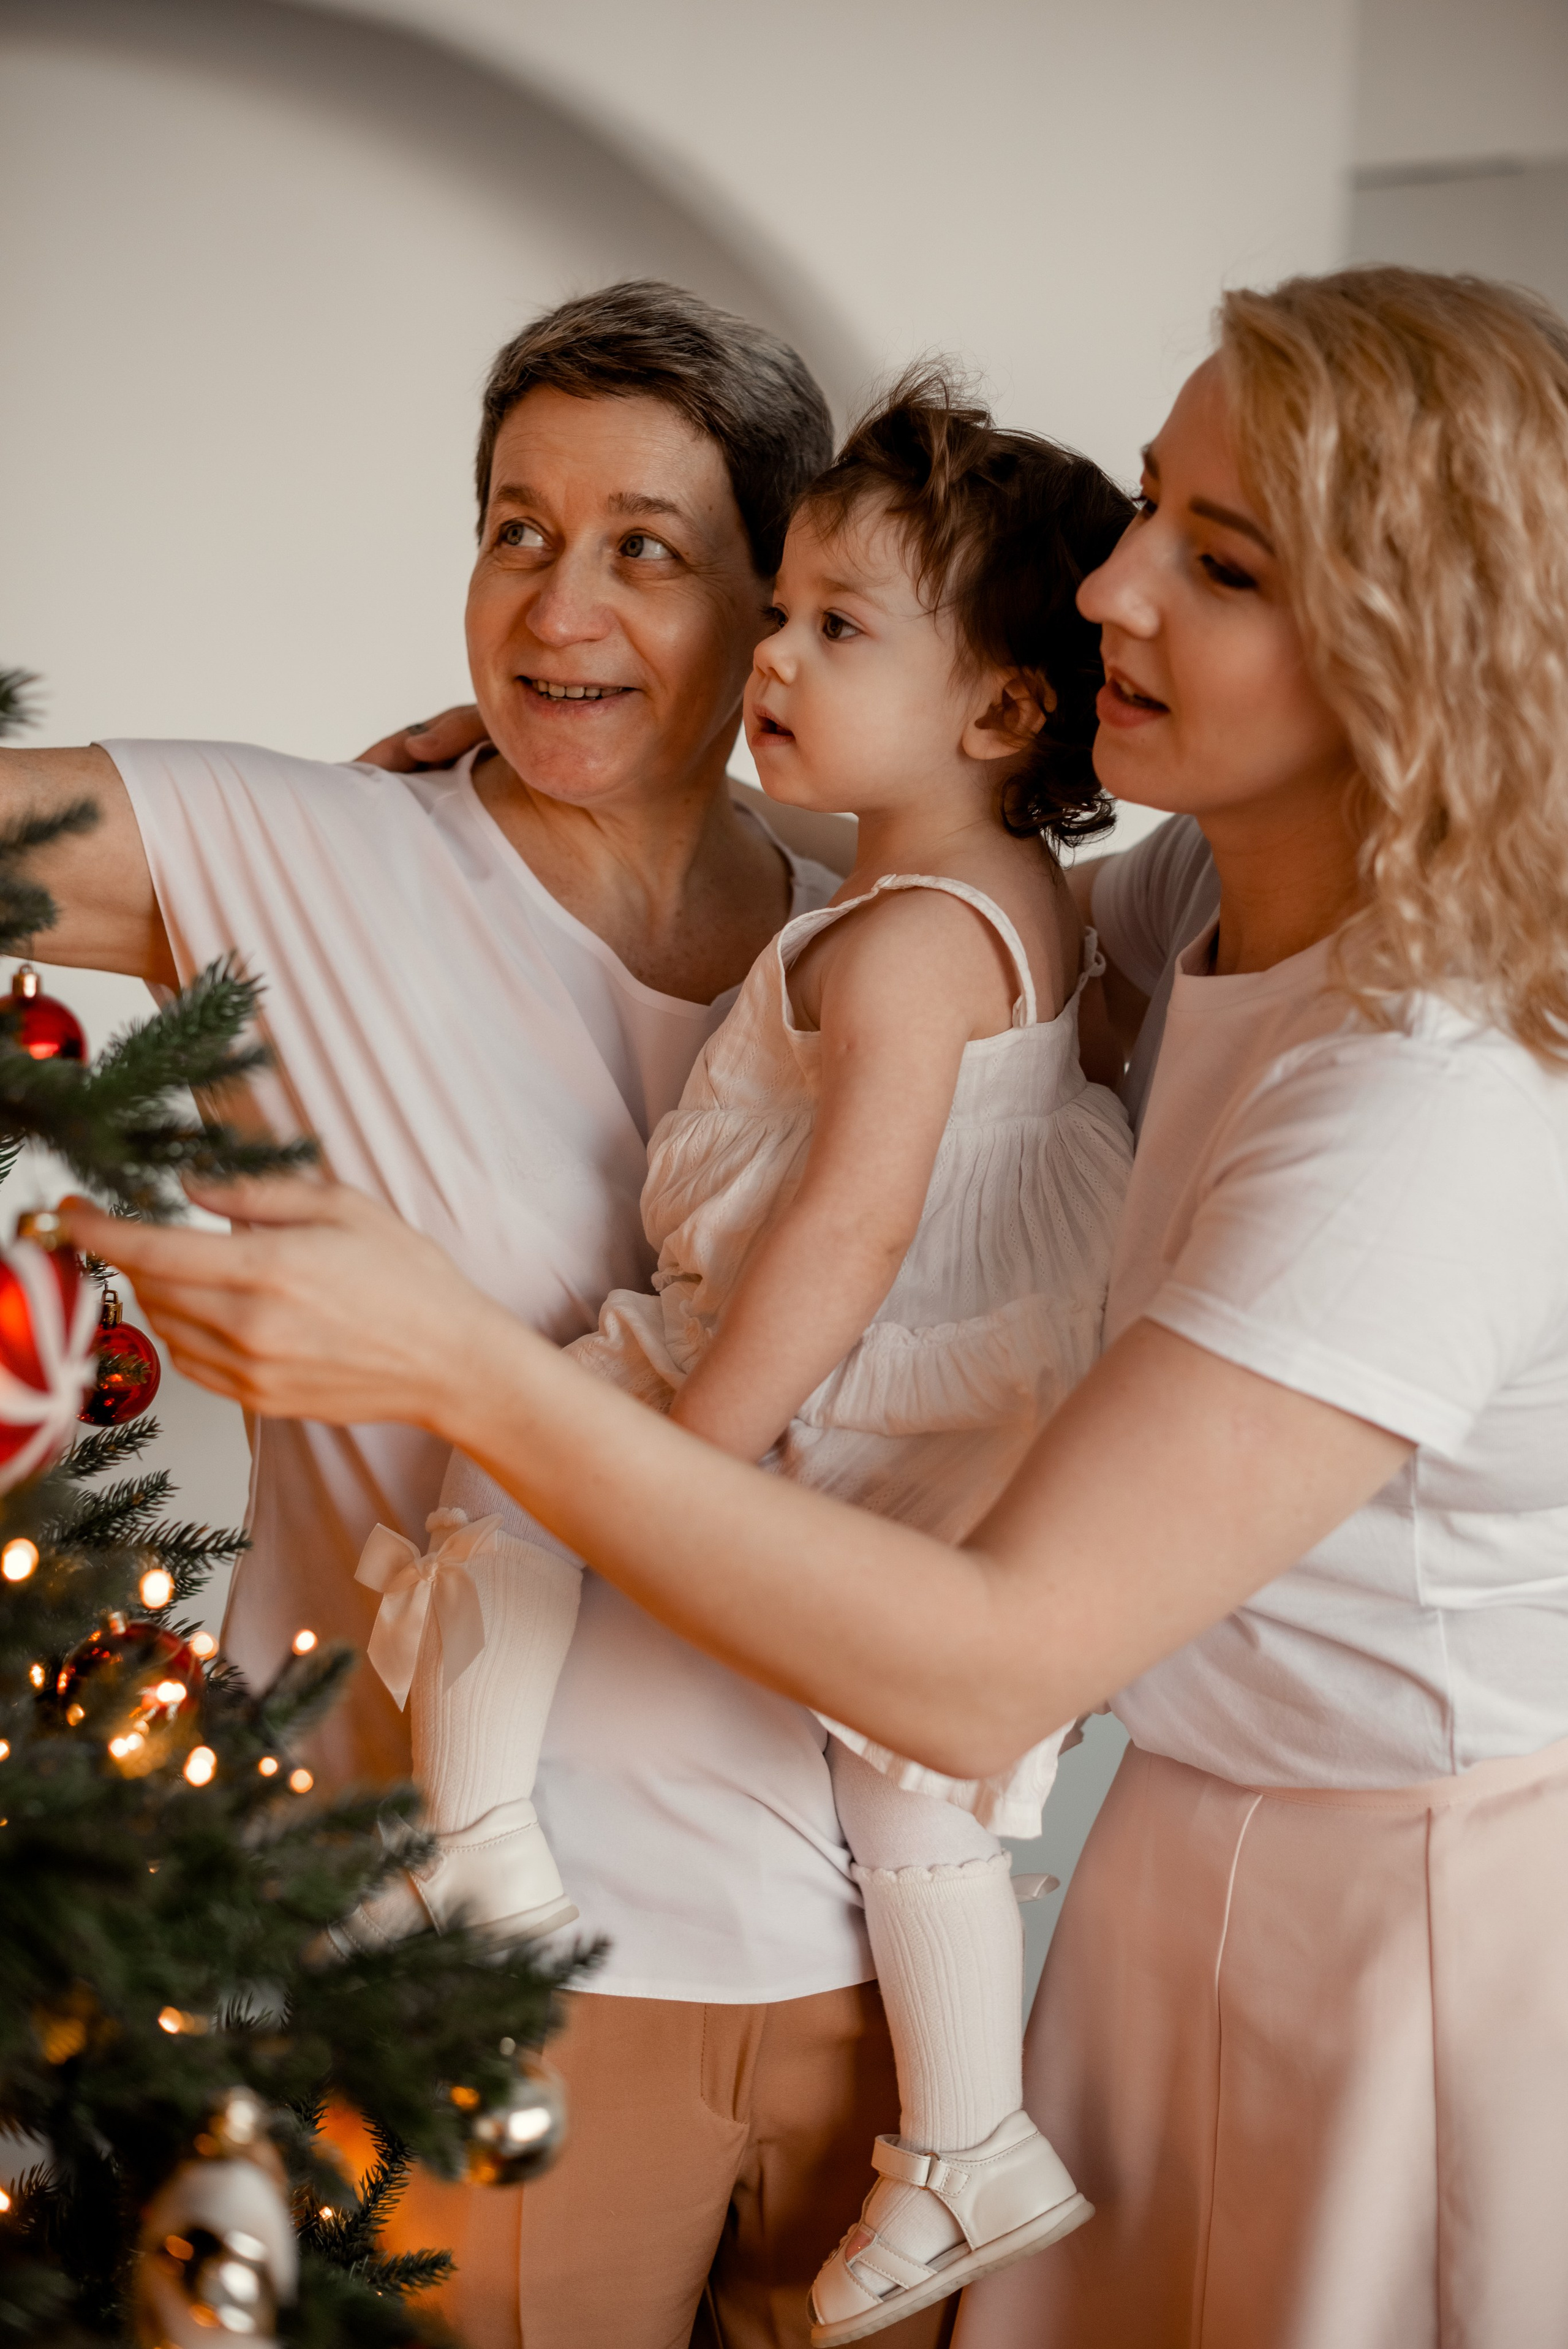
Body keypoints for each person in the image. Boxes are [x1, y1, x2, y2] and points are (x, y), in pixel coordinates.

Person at [94, 265, 1568, 2348]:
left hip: (1384, 1941)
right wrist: (560, 756)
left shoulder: (1424, 1113)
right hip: (1152, 1883)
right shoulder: (1210, 900)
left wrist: (467, 1369)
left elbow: (987, 1659)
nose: (1110, 586)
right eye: (1147, 504)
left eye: (1218, 562)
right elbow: (949, 890)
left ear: (1414, 651)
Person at [2, 280, 973, 2349]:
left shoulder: (884, 945)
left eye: (645, 546)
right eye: (516, 530)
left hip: (881, 1984)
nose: (557, 605)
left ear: (777, 597)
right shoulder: (306, 851)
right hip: (469, 1977)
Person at [334, 375, 1133, 2342]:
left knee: (521, 1454)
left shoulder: (904, 942)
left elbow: (845, 1228)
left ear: (1003, 712)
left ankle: (479, 1840)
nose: (771, 656)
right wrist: (500, 763)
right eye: (776, 611)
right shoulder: (1013, 895)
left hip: (821, 1365)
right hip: (972, 1399)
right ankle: (968, 2138)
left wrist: (683, 1464)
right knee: (915, 1786)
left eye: (835, 628)